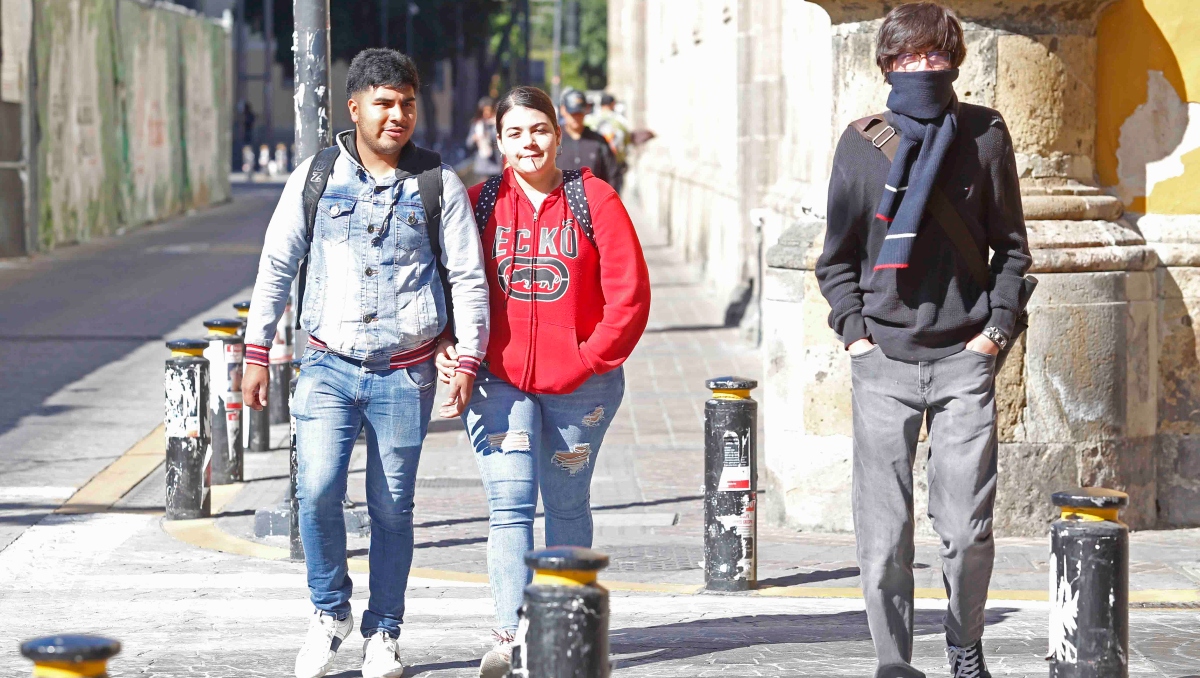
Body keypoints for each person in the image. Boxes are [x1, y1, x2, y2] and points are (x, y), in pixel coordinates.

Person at [241, 48, 490, 678]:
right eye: (383, 103)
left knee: (391, 507)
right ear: (354, 109)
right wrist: (257, 350)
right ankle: (330, 613)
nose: (397, 115)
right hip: (326, 366)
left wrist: (469, 358)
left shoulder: (438, 183)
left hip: (405, 375)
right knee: (317, 489)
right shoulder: (317, 177)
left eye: (407, 103)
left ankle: (385, 631)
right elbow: (276, 265)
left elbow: (467, 277)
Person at [814, 4, 1031, 678]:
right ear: (887, 65)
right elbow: (836, 257)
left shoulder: (985, 135)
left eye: (935, 56)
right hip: (882, 363)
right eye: (908, 58)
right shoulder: (861, 142)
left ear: (954, 60)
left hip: (964, 357)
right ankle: (893, 664)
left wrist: (995, 334)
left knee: (966, 532)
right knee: (884, 542)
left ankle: (965, 647)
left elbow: (1014, 252)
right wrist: (855, 338)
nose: (922, 69)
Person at [435, 85, 651, 678]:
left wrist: (588, 358)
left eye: (539, 130)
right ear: (498, 141)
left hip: (581, 387)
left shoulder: (594, 199)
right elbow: (446, 285)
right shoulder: (477, 204)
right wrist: (450, 346)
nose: (528, 142)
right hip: (498, 381)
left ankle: (562, 625)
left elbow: (629, 296)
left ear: (558, 134)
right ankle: (507, 635)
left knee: (564, 501)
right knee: (508, 505)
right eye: (515, 133)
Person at [556, 88, 619, 185]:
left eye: (579, 113)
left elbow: (613, 174)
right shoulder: (555, 141)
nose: (576, 118)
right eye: (572, 114)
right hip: (560, 198)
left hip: (594, 198)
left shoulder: (598, 141)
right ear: (563, 110)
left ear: (586, 110)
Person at [586, 93, 632, 192]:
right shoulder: (620, 122)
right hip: (615, 166)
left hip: (593, 166)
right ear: (613, 104)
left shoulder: (590, 120)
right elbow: (627, 142)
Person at [469, 96, 503, 179]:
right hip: (482, 164)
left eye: (489, 110)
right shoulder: (477, 124)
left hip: (496, 165)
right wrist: (474, 138)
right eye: (484, 111)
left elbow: (499, 139)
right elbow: (469, 143)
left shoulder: (497, 123)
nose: (486, 114)